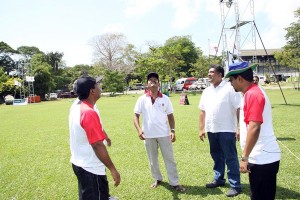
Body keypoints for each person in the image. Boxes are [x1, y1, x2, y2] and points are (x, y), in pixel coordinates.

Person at [226, 61, 281, 200]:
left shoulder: (253, 94)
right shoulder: (252, 92)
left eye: (231, 80)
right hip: (261, 156)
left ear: (240, 79)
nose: (230, 83)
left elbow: (255, 127)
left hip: (262, 158)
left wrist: (244, 158)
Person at [69, 75, 121, 200]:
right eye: (97, 85)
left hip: (81, 163)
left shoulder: (78, 106)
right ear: (92, 91)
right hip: (90, 168)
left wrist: (105, 135)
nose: (100, 87)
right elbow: (97, 145)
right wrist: (113, 170)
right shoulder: (88, 112)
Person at [133, 72, 186, 192]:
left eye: (155, 80)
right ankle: (157, 178)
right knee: (153, 160)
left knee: (169, 159)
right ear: (147, 84)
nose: (153, 81)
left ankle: (174, 182)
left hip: (164, 134)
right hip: (148, 135)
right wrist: (139, 130)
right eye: (150, 80)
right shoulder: (142, 99)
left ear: (158, 83)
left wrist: (172, 130)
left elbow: (170, 116)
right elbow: (135, 115)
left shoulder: (165, 99)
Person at [199, 65, 242, 197]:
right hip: (212, 129)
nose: (209, 74)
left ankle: (235, 185)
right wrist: (201, 129)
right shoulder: (206, 91)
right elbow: (202, 110)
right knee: (216, 156)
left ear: (220, 75)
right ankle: (218, 179)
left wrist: (239, 127)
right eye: (208, 72)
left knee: (230, 157)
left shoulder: (230, 88)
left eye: (212, 72)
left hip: (227, 129)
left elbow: (239, 108)